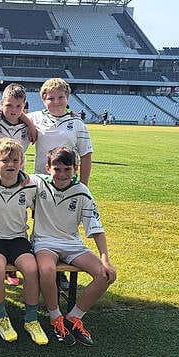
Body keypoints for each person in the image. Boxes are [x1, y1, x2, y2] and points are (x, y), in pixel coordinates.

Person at [32, 146, 116, 346]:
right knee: (46, 270)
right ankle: (55, 318)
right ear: (47, 168)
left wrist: (106, 259)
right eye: (57, 169)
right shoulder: (38, 183)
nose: (62, 174)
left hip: (72, 243)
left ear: (75, 169)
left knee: (105, 275)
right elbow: (12, 174)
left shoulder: (82, 192)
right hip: (44, 241)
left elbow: (96, 228)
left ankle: (74, 317)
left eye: (67, 169)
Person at [0, 137, 48, 346]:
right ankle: (1, 317)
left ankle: (31, 319)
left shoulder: (31, 184)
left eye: (15, 160)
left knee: (31, 270)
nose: (11, 165)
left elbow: (53, 181)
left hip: (18, 238)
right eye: (5, 161)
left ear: (22, 162)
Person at [27, 78, 94, 291]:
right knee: (40, 223)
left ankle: (61, 271)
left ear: (68, 98)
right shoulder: (36, 117)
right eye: (50, 98)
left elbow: (86, 155)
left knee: (65, 225)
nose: (56, 102)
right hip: (42, 183)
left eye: (60, 97)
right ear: (43, 100)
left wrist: (81, 186)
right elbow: (9, 111)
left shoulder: (77, 124)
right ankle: (40, 264)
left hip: (68, 183)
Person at [0, 83, 37, 285]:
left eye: (18, 106)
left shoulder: (27, 124)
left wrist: (30, 124)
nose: (13, 110)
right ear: (1, 104)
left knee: (15, 212)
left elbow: (24, 117)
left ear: (24, 106)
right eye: (9, 106)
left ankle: (11, 269)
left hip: (17, 175)